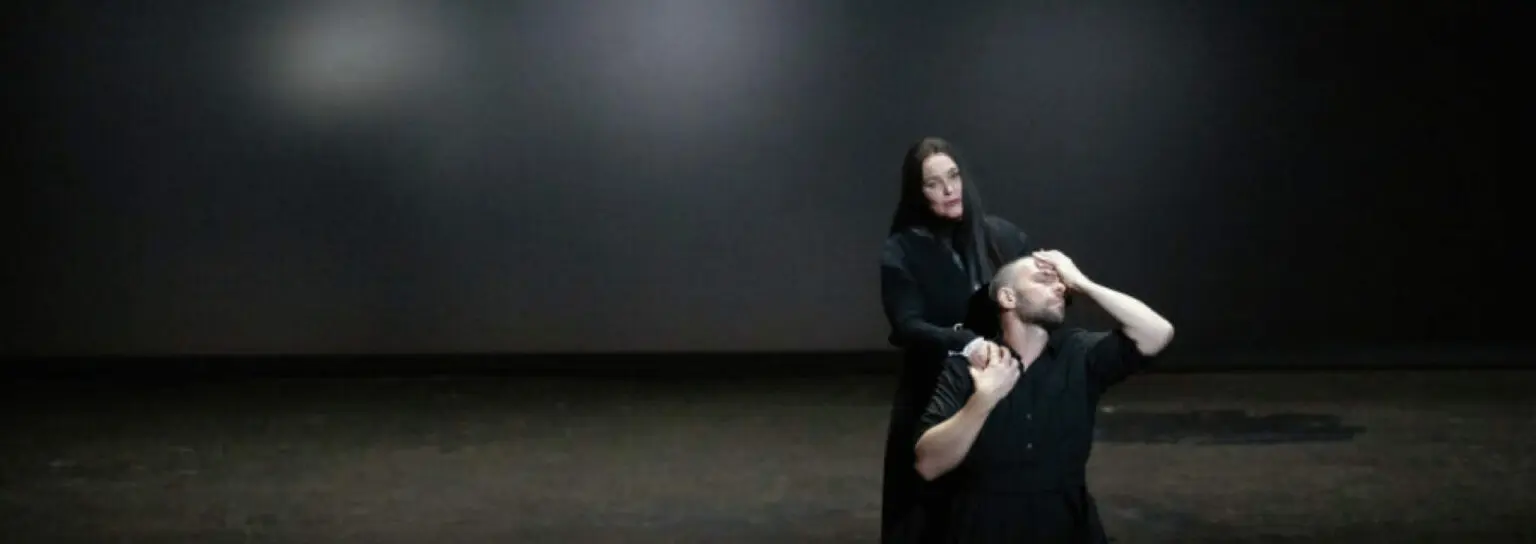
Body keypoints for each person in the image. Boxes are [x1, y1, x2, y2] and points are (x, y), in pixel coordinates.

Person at [911, 250, 1175, 543]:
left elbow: (1157, 332)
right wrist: (983, 399)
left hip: (1066, 524)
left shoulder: (1079, 353)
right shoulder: (969, 367)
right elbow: (928, 464)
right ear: (1008, 298)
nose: (1060, 286)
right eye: (1044, 280)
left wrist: (1082, 282)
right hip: (984, 526)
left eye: (1061, 282)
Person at [879, 137, 1035, 543]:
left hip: (1003, 390)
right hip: (933, 392)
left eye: (953, 176)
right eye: (933, 183)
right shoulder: (903, 249)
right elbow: (907, 325)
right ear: (918, 192)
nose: (949, 190)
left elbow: (1033, 303)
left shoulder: (1003, 237)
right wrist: (966, 342)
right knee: (929, 518)